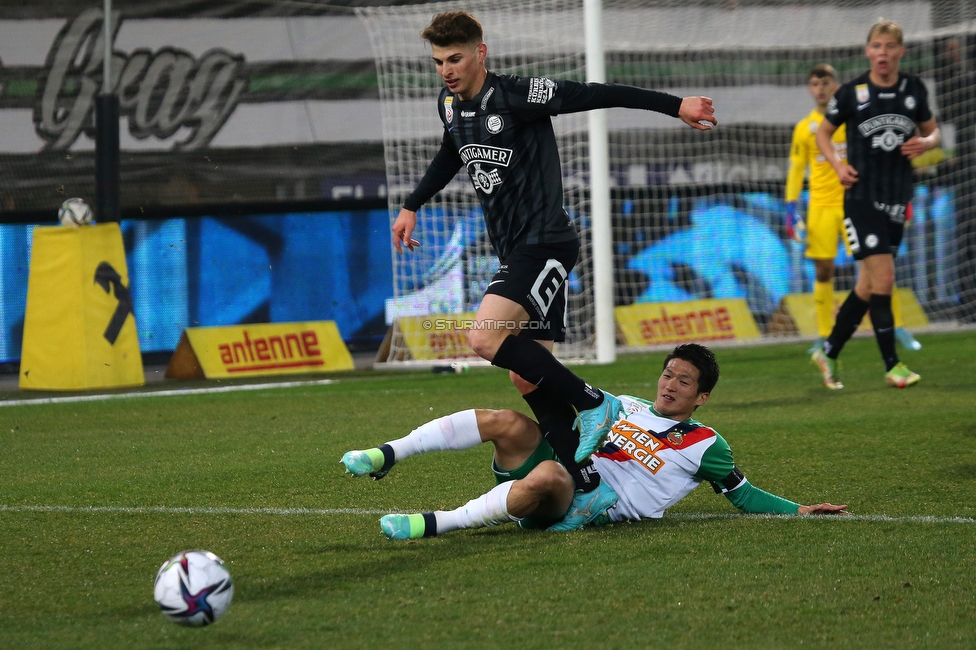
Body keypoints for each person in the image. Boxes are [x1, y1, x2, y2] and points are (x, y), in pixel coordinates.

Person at [388, 10, 718, 522]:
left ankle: (595, 402)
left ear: (481, 52)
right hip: (516, 250)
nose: (446, 70)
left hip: (544, 243)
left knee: (483, 338)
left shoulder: (519, 94)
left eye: (455, 58)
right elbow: (450, 155)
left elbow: (594, 93)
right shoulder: (450, 104)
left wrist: (675, 105)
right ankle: (587, 487)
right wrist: (413, 203)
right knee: (527, 378)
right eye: (437, 61)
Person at [341, 344, 848, 539]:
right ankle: (389, 453)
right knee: (502, 420)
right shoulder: (623, 403)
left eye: (684, 381)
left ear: (703, 397)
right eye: (668, 374)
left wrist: (798, 510)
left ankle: (435, 524)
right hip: (566, 468)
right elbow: (565, 409)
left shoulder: (705, 442)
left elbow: (742, 494)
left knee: (549, 475)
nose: (669, 385)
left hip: (576, 498)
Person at [812, 19, 939, 389]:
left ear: (901, 51)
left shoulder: (914, 89)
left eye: (889, 46)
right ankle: (892, 365)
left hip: (898, 198)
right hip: (861, 198)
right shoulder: (853, 92)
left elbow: (933, 131)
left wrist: (927, 143)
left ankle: (829, 351)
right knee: (884, 276)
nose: (882, 53)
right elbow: (823, 132)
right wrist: (837, 165)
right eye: (876, 46)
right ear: (868, 51)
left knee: (868, 284)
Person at [785, 64, 921, 355]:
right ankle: (824, 335)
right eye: (814, 84)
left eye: (825, 82)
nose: (820, 89)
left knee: (879, 267)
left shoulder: (854, 119)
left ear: (836, 86)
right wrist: (790, 208)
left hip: (858, 202)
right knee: (823, 270)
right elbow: (797, 170)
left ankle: (897, 327)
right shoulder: (805, 128)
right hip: (821, 205)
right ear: (810, 89)